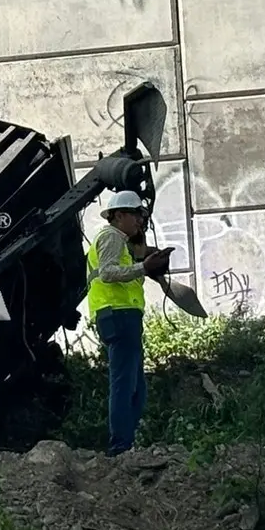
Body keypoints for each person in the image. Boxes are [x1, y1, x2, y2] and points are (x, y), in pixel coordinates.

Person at [87, 191, 172, 456]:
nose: (139, 221)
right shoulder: (111, 237)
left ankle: (126, 442)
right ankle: (120, 447)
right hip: (118, 315)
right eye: (135, 215)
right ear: (119, 215)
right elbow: (110, 272)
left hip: (123, 316)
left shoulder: (120, 241)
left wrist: (145, 263)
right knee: (124, 386)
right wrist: (143, 268)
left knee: (135, 388)